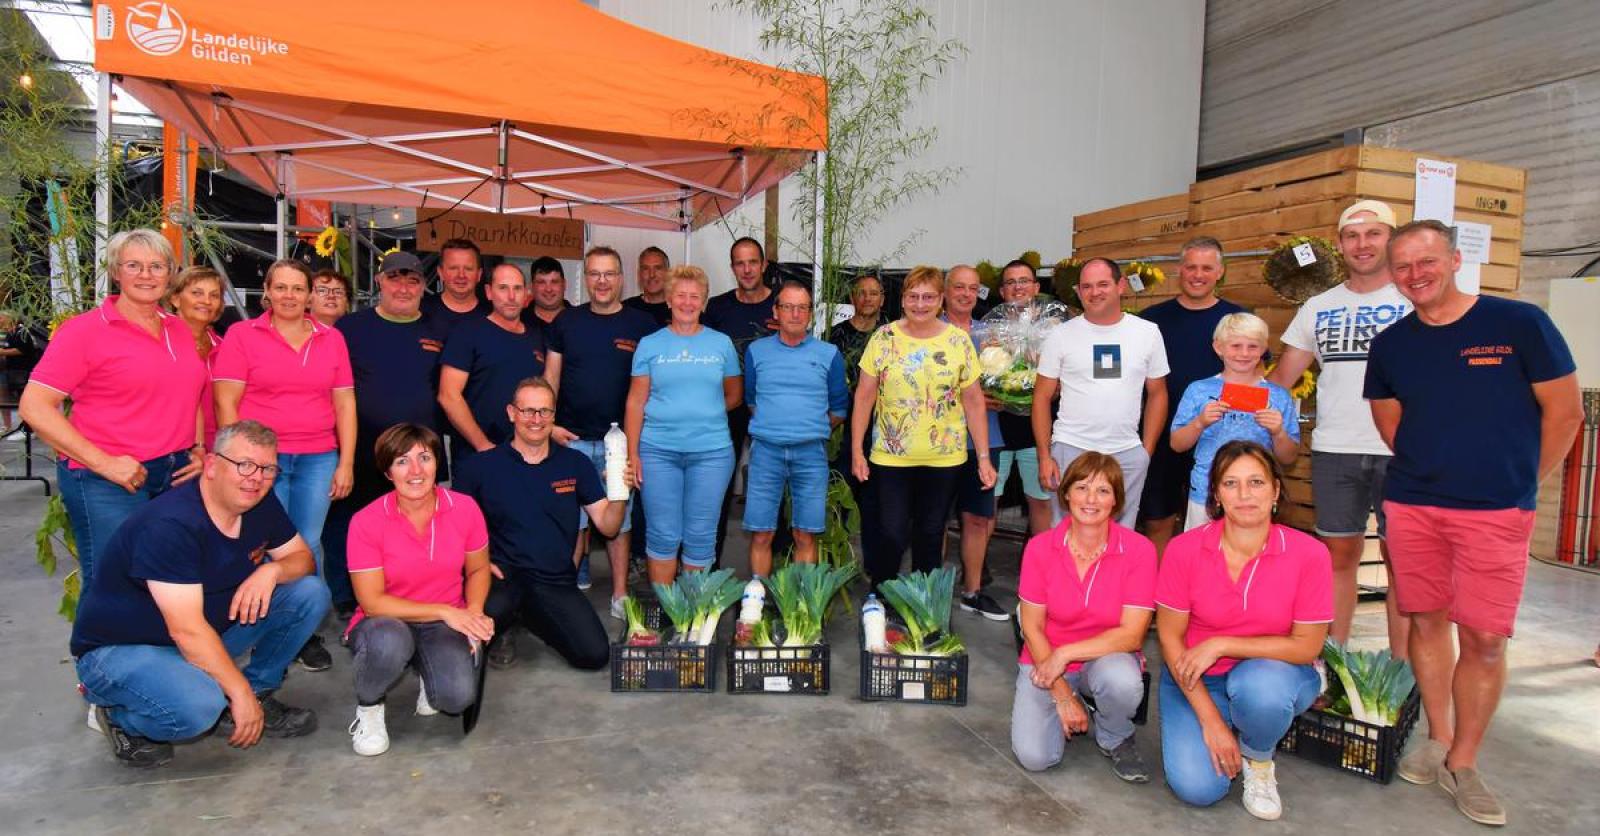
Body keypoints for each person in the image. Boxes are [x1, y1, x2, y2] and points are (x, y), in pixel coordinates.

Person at [1366, 219, 1581, 827]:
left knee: (1485, 637)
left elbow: (1563, 414)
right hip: (1414, 505)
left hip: (1495, 511)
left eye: (1426, 261)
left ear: (1456, 259)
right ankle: (1438, 736)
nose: (1415, 275)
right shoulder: (1393, 345)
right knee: (1427, 620)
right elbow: (1392, 426)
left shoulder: (1519, 325)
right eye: (1403, 266)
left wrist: (1517, 483)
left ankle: (1464, 761)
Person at [71, 421, 331, 768]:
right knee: (198, 709)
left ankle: (257, 692)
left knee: (308, 593)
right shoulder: (171, 525)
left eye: (268, 468)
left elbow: (302, 559)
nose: (255, 477)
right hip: (126, 649)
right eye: (244, 464)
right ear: (210, 465)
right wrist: (234, 690)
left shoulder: (258, 501)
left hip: (200, 633)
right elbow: (186, 630)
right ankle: (121, 717)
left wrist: (272, 570)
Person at [1155, 441, 1332, 820]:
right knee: (1199, 789)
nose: (1244, 495)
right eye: (1231, 484)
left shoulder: (1309, 554)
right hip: (1195, 676)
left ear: (1275, 491)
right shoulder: (1184, 550)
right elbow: (1170, 638)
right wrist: (1212, 722)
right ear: (1216, 494)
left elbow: (1306, 646)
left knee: (1260, 690)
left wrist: (1221, 644)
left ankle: (1258, 756)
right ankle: (1232, 722)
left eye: (1256, 482)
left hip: (1275, 672)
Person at [21, 229, 207, 584]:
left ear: (170, 274)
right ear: (115, 272)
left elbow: (189, 392)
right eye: (134, 265)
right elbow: (35, 407)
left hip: (175, 473)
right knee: (115, 583)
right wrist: (105, 463)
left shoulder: (179, 330)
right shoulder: (84, 331)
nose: (146, 275)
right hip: (107, 480)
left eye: (156, 266)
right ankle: (100, 643)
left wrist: (197, 448)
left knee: (170, 580)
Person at [1268, 200, 1411, 651]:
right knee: (1338, 557)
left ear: (1392, 238)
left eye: (1374, 234)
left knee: (1402, 564)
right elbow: (1281, 380)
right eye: (1352, 235)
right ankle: (1333, 661)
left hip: (1404, 451)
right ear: (1339, 245)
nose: (1362, 244)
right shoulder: (1318, 306)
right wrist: (1228, 398)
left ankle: (1402, 669)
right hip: (1335, 448)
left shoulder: (1414, 299)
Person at [213, 258, 356, 673]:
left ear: (310, 295)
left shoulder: (331, 339)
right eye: (282, 288)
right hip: (261, 462)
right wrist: (236, 461)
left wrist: (345, 461)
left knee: (307, 544)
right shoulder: (242, 335)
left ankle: (303, 631)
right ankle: (259, 626)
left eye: (298, 288)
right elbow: (226, 401)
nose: (290, 296)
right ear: (267, 292)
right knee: (262, 544)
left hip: (317, 456)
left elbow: (345, 403)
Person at [454, 378, 630, 671]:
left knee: (594, 655)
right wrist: (476, 563)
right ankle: (507, 621)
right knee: (466, 642)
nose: (536, 420)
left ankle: (531, 616)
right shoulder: (480, 467)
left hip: (553, 579)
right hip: (499, 578)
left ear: (553, 415)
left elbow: (609, 527)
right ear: (512, 413)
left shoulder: (575, 464)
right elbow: (452, 528)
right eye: (528, 411)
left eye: (544, 412)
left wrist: (619, 494)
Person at [344, 423, 495, 756]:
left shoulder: (465, 508)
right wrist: (446, 611)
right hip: (385, 620)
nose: (415, 470)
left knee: (456, 698)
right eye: (402, 461)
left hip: (444, 622)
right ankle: (369, 707)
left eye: (424, 458)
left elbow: (479, 568)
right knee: (389, 640)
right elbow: (372, 603)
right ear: (387, 471)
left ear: (437, 464)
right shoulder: (366, 521)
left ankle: (429, 672)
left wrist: (473, 612)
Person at [1012, 452, 1156, 783]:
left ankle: (1115, 734)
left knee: (1122, 681)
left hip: (1104, 659)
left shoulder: (1139, 551)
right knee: (1037, 758)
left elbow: (1132, 635)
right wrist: (1061, 691)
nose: (1091, 499)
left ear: (1117, 502)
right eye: (1082, 488)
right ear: (1066, 495)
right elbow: (1031, 627)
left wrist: (1066, 654)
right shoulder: (1040, 548)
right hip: (1043, 657)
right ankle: (1075, 701)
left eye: (1103, 491)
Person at [850, 266, 995, 589]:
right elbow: (864, 397)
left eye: (928, 297)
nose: (920, 304)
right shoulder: (884, 338)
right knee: (891, 532)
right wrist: (857, 450)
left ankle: (924, 605)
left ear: (941, 300)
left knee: (930, 533)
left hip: (944, 459)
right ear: (902, 300)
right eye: (913, 296)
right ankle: (882, 598)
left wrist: (983, 457)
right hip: (890, 457)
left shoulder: (958, 341)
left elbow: (973, 401)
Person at [324, 251, 449, 616]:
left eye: (412, 280)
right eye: (395, 278)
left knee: (411, 527)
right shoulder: (350, 328)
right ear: (379, 281)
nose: (404, 287)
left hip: (420, 456)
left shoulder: (437, 329)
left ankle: (400, 596)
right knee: (348, 524)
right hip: (361, 451)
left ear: (424, 286)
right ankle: (347, 597)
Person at [544, 246, 657, 620]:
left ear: (621, 278)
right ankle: (563, 595)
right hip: (571, 439)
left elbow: (652, 387)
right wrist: (548, 427)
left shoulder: (642, 326)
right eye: (595, 274)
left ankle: (620, 593)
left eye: (609, 273)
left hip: (619, 443)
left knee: (619, 520)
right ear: (585, 279)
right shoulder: (565, 323)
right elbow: (551, 378)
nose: (602, 281)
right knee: (570, 520)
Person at [624, 265, 742, 583]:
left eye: (695, 296)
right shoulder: (650, 345)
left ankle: (692, 617)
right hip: (657, 452)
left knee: (701, 535)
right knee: (662, 534)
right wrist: (632, 453)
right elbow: (635, 401)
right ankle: (668, 608)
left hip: (712, 453)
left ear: (704, 302)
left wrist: (703, 412)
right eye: (681, 295)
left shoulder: (721, 344)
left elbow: (734, 394)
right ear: (668, 299)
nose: (688, 303)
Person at [1034, 257, 1169, 529]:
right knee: (1067, 533)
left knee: (1121, 533)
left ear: (1120, 286)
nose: (1094, 292)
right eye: (1087, 286)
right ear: (1079, 291)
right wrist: (1045, 456)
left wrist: (1146, 451)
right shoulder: (1060, 335)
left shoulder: (1147, 333)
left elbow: (1158, 393)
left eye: (1103, 284)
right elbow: (1041, 397)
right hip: (1071, 448)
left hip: (1126, 452)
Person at [1138, 237, 1249, 556]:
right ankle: (1158, 599)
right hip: (1162, 435)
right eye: (1190, 267)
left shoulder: (1238, 320)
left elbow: (1254, 378)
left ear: (1220, 272)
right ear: (1179, 270)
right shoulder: (1150, 321)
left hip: (1219, 438)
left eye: (1206, 268)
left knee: (1216, 521)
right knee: (1158, 520)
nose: (1197, 274)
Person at [742, 281, 848, 577]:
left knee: (806, 534)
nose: (795, 314)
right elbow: (751, 399)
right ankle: (757, 603)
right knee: (762, 533)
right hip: (766, 452)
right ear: (776, 311)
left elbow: (839, 408)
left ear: (811, 314)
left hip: (811, 454)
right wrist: (777, 426)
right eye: (788, 306)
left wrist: (807, 428)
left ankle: (801, 606)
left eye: (802, 308)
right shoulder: (756, 351)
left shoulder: (829, 354)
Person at [1169, 313, 1299, 531]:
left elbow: (1288, 457)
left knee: (1250, 557)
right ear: (1218, 347)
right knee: (1202, 558)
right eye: (1236, 346)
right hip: (1206, 492)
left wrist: (1278, 433)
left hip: (1255, 497)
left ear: (1263, 348)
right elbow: (1176, 443)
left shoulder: (1277, 396)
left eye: (1252, 346)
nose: (1244, 353)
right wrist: (1200, 422)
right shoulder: (1199, 390)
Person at [704, 237, 781, 561]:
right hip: (728, 407)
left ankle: (777, 568)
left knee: (777, 488)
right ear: (732, 267)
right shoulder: (718, 307)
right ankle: (708, 564)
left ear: (763, 265)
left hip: (772, 407)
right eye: (739, 263)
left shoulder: (782, 304)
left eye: (753, 262)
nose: (747, 269)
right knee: (717, 487)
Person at [943, 264, 1008, 620]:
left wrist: (1005, 395)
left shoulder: (991, 336)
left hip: (986, 439)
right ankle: (930, 591)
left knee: (979, 519)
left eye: (973, 289)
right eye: (959, 287)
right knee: (933, 518)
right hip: (938, 441)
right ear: (946, 290)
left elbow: (1009, 381)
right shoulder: (931, 331)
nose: (966, 294)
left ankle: (973, 591)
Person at [438, 263, 548, 463]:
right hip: (478, 454)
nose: (511, 296)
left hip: (528, 455)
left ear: (526, 295)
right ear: (489, 292)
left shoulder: (536, 335)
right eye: (503, 288)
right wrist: (483, 446)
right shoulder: (468, 332)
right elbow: (448, 395)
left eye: (517, 289)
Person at [990, 260, 1059, 537]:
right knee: (988, 503)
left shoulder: (1054, 327)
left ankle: (1038, 569)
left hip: (1038, 430)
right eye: (1011, 282)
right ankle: (978, 566)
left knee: (1041, 502)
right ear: (1002, 291)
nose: (1018, 287)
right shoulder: (989, 329)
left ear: (1036, 287)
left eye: (1024, 281)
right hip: (997, 426)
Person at [827, 272, 886, 576]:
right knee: (840, 493)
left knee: (875, 500)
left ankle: (875, 566)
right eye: (861, 293)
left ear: (882, 299)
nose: (866, 298)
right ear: (852, 299)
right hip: (841, 424)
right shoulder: (835, 334)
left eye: (873, 293)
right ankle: (838, 563)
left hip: (882, 428)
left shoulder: (890, 336)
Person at [164, 266, 226, 448]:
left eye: (214, 296)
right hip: (168, 449)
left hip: (214, 448)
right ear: (175, 298)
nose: (206, 301)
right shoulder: (160, 341)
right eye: (197, 293)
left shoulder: (225, 348)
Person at [420, 238, 490, 334]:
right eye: (453, 268)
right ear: (440, 272)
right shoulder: (419, 312)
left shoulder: (493, 316)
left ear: (479, 274)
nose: (461, 275)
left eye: (468, 269)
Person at [623, 246, 672, 326]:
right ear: (639, 274)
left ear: (668, 273)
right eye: (645, 268)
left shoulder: (681, 309)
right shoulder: (625, 309)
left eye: (658, 268)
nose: (652, 275)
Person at [524, 256, 570, 326]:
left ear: (564, 285)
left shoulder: (581, 320)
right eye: (541, 282)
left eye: (554, 282)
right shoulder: (518, 321)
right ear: (531, 287)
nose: (548, 289)